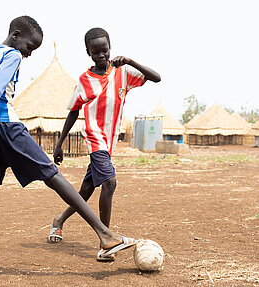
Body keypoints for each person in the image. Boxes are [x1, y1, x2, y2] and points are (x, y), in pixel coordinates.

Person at [0, 16, 137, 274]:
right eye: (29, 47)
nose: (28, 54)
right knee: (52, 174)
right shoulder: (12, 55)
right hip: (5, 126)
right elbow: (0, 79)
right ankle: (105, 235)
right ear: (15, 35)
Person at [48, 27, 160, 261]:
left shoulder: (123, 73)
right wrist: (59, 143)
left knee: (86, 190)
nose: (101, 55)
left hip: (109, 142)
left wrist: (131, 61)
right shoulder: (84, 80)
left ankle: (59, 219)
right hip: (94, 136)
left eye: (105, 50)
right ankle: (106, 241)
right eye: (95, 51)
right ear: (88, 52)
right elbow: (73, 112)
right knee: (109, 183)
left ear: (110, 48)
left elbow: (156, 77)